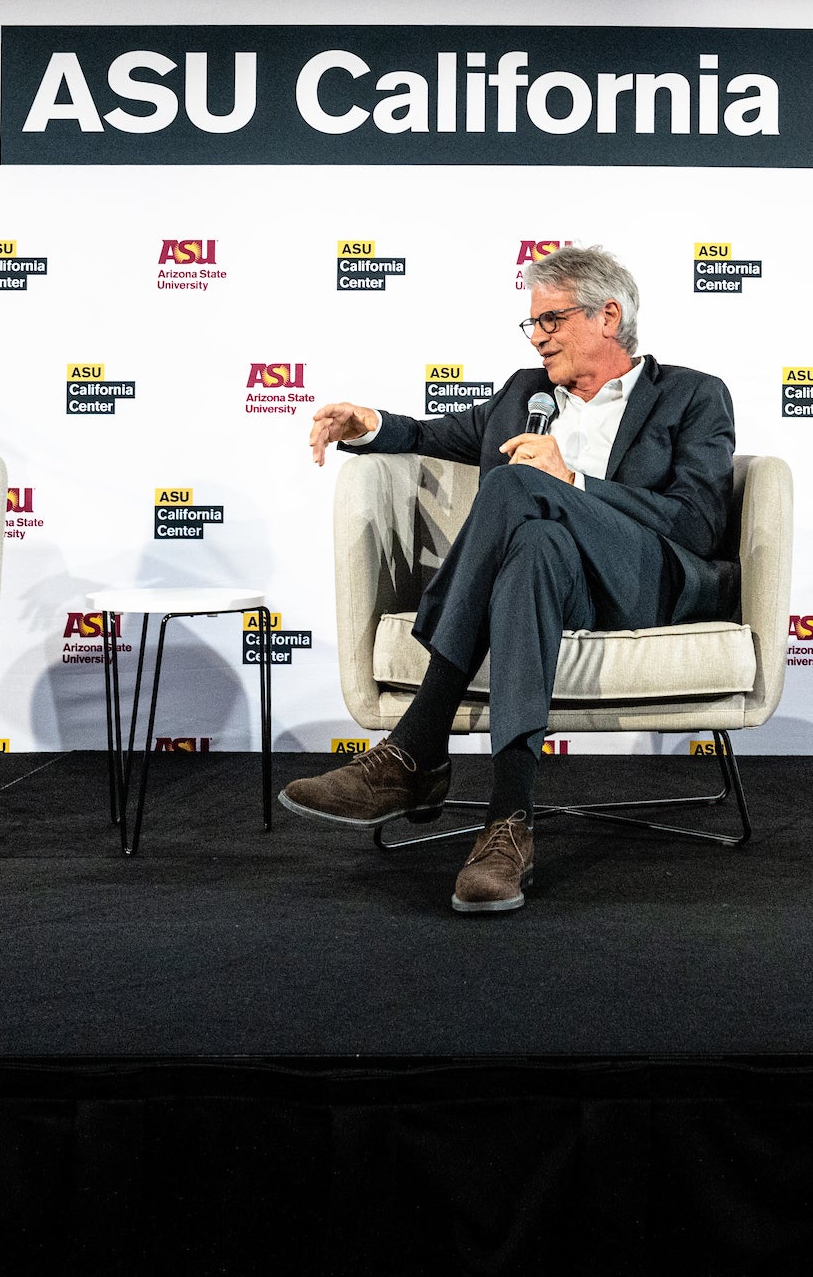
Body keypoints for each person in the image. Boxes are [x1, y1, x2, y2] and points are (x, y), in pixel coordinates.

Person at [285, 245, 737, 912]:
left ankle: (417, 746)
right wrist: (367, 424)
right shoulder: (523, 393)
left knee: (517, 484)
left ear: (609, 315)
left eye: (552, 319)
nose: (539, 336)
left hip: (643, 581)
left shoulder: (694, 394)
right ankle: (508, 823)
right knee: (532, 546)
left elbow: (696, 522)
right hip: (556, 584)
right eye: (532, 324)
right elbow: (430, 432)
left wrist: (574, 481)